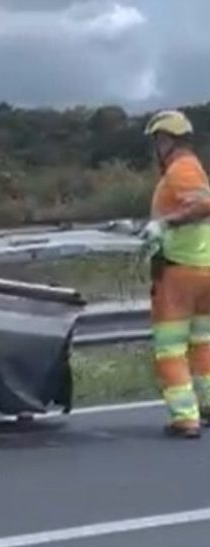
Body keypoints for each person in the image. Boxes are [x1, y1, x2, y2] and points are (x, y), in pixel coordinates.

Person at [141, 109, 210, 439]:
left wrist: (163, 224)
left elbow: (203, 206)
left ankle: (185, 417)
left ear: (164, 139)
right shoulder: (190, 167)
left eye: (157, 140)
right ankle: (207, 405)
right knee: (202, 343)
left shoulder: (181, 170)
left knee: (169, 349)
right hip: (202, 268)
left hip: (179, 273)